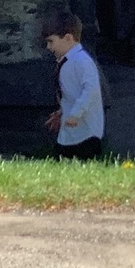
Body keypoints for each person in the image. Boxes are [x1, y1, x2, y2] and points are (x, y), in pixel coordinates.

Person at [42, 9, 105, 159]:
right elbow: (71, 92)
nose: (48, 47)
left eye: (51, 41)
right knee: (61, 159)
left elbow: (91, 89)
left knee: (84, 161)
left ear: (68, 38)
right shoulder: (67, 61)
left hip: (86, 131)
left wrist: (76, 113)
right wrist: (63, 112)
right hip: (69, 130)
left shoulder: (82, 61)